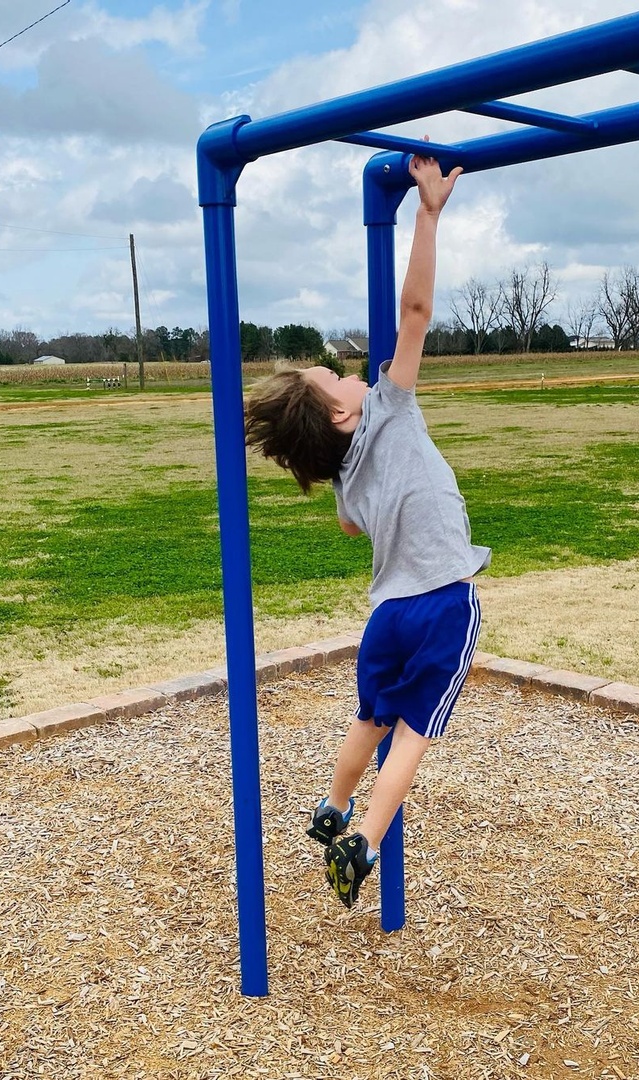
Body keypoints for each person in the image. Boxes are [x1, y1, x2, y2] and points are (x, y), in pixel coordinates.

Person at [244, 144, 491, 908]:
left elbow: (353, 528)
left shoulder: (346, 477)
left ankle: (332, 805)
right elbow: (415, 312)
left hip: (386, 613)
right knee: (414, 730)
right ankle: (366, 840)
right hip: (444, 599)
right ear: (346, 412)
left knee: (372, 716)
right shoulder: (389, 403)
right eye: (335, 376)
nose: (350, 369)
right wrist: (427, 210)